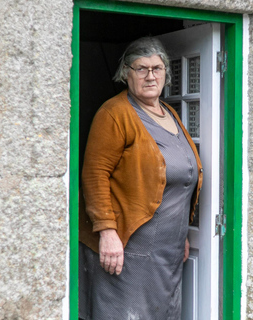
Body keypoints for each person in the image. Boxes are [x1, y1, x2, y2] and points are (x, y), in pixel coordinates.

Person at [78, 36, 203, 320]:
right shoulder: (115, 113)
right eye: (141, 68)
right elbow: (94, 175)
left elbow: (180, 181)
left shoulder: (169, 113)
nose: (150, 76)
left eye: (157, 68)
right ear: (126, 73)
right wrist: (108, 233)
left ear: (166, 74)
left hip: (167, 252)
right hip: (128, 248)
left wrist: (182, 233)